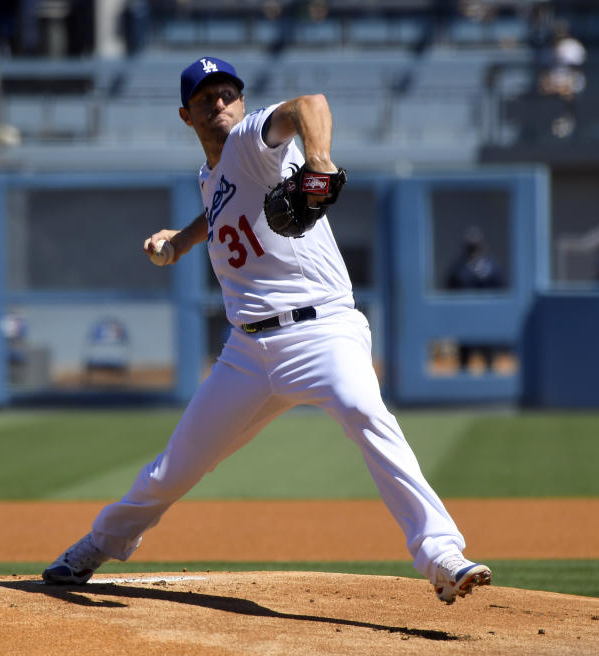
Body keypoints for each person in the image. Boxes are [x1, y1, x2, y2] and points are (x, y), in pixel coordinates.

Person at [42, 56, 492, 605]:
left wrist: (319, 160)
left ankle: (442, 554)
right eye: (206, 98)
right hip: (248, 354)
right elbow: (221, 202)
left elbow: (311, 105)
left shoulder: (252, 137)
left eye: (229, 92)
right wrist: (182, 242)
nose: (221, 104)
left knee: (367, 415)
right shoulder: (212, 173)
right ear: (186, 116)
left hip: (323, 331)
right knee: (173, 468)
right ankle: (97, 545)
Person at [445, 226, 504, 372]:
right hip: (465, 318)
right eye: (470, 246)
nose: (473, 249)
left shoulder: (490, 266)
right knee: (464, 358)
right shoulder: (459, 267)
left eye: (476, 245)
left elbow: (499, 287)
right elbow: (451, 287)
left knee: (489, 357)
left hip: (486, 318)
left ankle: (490, 384)